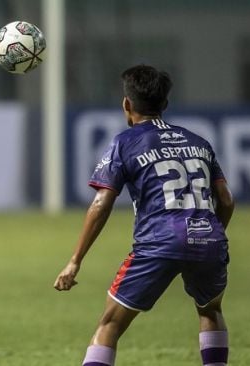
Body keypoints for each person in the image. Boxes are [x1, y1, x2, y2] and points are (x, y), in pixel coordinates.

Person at [54, 64, 234, 366]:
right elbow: (226, 200)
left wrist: (75, 261)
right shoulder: (199, 142)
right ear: (165, 104)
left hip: (159, 242)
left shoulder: (125, 142)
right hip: (209, 239)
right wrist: (209, 234)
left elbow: (101, 203)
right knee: (210, 310)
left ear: (127, 104)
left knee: (109, 323)